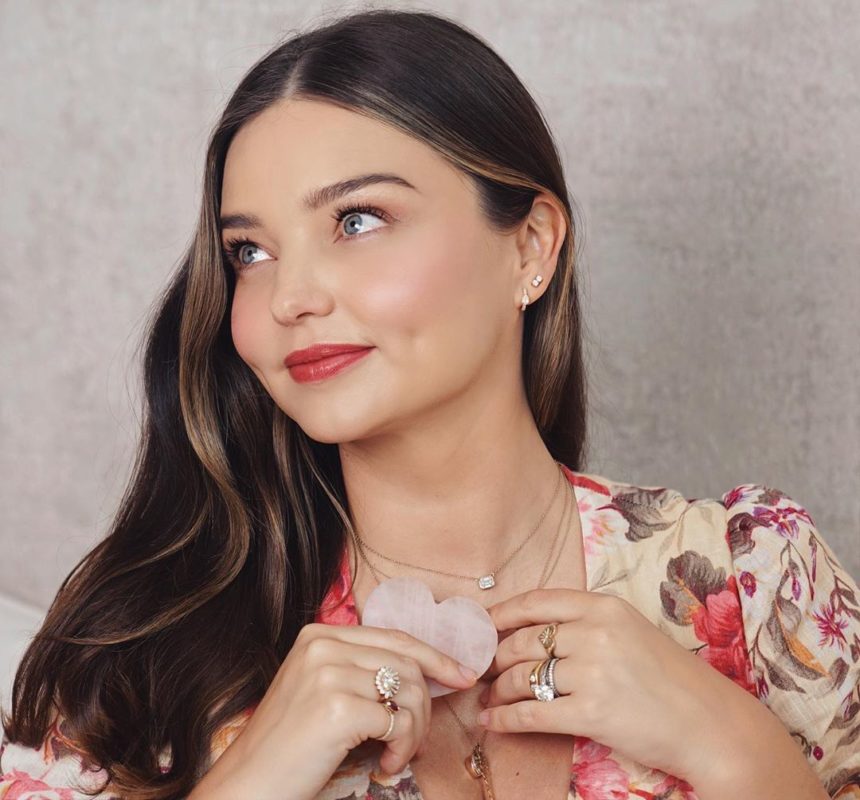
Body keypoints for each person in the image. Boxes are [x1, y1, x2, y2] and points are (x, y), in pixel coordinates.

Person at [1, 7, 857, 800]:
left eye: (357, 219)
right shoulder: (138, 649)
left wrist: (731, 745)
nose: (290, 297)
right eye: (249, 251)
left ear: (531, 246)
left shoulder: (756, 586)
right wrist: (251, 778)